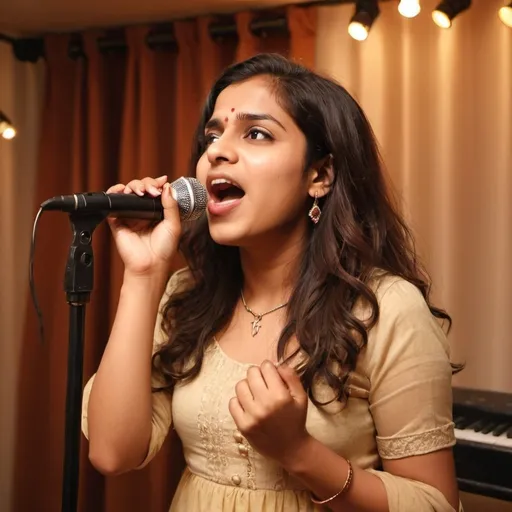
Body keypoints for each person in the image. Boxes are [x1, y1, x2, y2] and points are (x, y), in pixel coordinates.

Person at [81, 53, 463, 512]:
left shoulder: (385, 307)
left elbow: (435, 504)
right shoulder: (186, 297)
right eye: (213, 134)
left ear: (319, 176)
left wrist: (298, 452)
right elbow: (112, 453)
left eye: (256, 133)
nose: (217, 150)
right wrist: (143, 276)